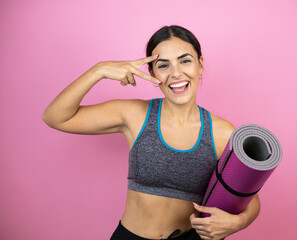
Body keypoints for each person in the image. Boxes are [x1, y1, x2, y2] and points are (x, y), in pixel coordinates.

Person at [42, 25, 260, 240]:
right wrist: (99, 70)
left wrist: (238, 223)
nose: (176, 73)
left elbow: (248, 197)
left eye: (185, 60)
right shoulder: (134, 115)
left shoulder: (222, 132)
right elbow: (55, 117)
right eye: (163, 65)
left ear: (200, 65)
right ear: (152, 73)